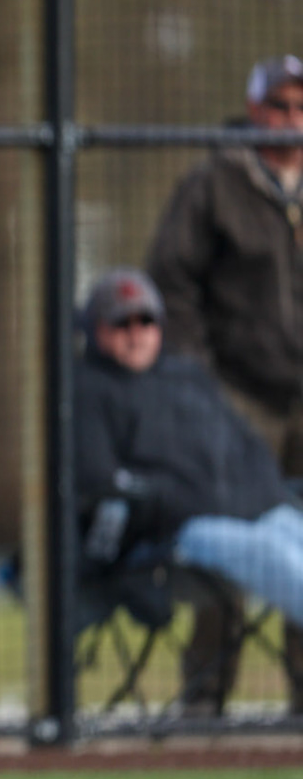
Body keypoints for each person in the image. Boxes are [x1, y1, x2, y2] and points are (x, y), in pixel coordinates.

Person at [146, 55, 303, 708]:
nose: (290, 121)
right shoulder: (214, 184)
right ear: (254, 108)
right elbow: (171, 284)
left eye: (300, 109)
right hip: (240, 400)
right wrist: (200, 384)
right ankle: (205, 698)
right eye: (279, 107)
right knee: (233, 544)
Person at [75, 269, 303, 647]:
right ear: (97, 331)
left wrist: (266, 495)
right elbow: (101, 482)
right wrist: (172, 500)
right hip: (179, 538)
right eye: (121, 323)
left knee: (287, 528)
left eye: (145, 320)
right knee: (270, 552)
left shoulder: (188, 377)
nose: (136, 333)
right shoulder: (89, 390)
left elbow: (250, 447)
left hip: (252, 513)